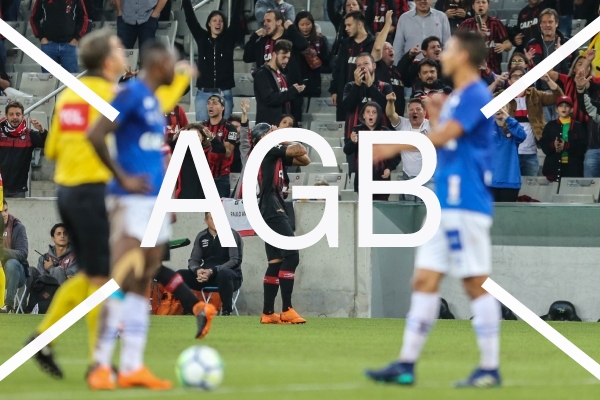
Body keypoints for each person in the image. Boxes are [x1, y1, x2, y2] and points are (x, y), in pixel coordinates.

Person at [366, 30, 501, 387]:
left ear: (465, 57)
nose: (445, 52)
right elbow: (449, 142)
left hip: (466, 202)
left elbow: (447, 136)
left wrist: (398, 143)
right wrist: (439, 117)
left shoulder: (475, 93)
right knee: (424, 280)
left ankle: (490, 367)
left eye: (452, 48)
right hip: (446, 202)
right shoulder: (457, 97)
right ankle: (406, 363)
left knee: (474, 284)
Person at [85, 41, 198, 390]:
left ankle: (132, 365)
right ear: (159, 63)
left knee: (142, 280)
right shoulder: (131, 93)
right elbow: (96, 134)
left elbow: (152, 154)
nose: (176, 68)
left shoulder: (153, 103)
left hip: (153, 202)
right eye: (173, 63)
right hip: (130, 201)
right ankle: (101, 364)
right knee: (121, 277)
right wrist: (122, 178)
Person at [250, 123, 310, 325]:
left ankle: (268, 312)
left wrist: (279, 139)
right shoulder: (266, 148)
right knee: (292, 255)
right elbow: (300, 149)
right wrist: (282, 139)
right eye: (272, 130)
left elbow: (305, 159)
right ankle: (286, 309)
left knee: (275, 261)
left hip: (269, 205)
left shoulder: (270, 151)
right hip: (271, 205)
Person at [244, 9, 309, 122]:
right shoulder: (262, 41)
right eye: (264, 21)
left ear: (279, 22)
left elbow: (304, 45)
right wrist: (254, 36)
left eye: (269, 21)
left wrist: (292, 28)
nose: (265, 24)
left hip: (291, 94)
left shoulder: (289, 37)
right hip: (270, 95)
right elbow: (247, 57)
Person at [499, 67, 562, 176]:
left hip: (530, 154)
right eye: (515, 76)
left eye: (521, 77)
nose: (518, 79)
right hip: (509, 154)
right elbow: (483, 105)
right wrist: (495, 83)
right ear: (509, 81)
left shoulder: (535, 94)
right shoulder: (502, 96)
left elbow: (559, 98)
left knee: (529, 190)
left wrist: (548, 80)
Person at [177, 212, 243, 316]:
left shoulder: (231, 235)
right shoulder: (202, 236)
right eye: (212, 219)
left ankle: (226, 311)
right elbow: (193, 260)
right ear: (206, 221)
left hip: (230, 277)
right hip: (206, 278)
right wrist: (197, 271)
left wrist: (212, 271)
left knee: (224, 273)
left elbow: (235, 261)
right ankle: (189, 310)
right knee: (179, 275)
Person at [183, 0, 236, 120]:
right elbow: (190, 19)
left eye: (221, 21)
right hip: (203, 94)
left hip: (224, 93)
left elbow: (236, 17)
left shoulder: (229, 39)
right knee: (201, 132)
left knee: (224, 132)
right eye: (214, 20)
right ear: (208, 24)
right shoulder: (201, 38)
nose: (218, 23)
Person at [342, 52, 392, 177]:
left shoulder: (385, 87)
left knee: (380, 177)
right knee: (358, 178)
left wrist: (371, 87)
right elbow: (347, 107)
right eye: (358, 65)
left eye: (365, 63)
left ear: (374, 66)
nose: (362, 67)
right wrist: (357, 86)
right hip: (355, 140)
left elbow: (387, 109)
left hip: (380, 139)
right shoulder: (350, 86)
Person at [344, 102, 399, 199]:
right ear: (363, 115)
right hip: (363, 180)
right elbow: (347, 151)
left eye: (374, 112)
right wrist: (352, 142)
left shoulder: (386, 132)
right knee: (365, 212)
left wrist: (389, 168)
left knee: (381, 212)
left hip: (381, 179)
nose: (370, 114)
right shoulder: (357, 131)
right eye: (368, 112)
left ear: (378, 115)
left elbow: (397, 154)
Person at [329, 10, 377, 122]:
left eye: (349, 25)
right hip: (345, 95)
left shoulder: (373, 43)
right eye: (345, 25)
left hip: (366, 95)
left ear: (359, 25)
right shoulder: (345, 44)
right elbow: (338, 68)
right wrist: (334, 90)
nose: (346, 28)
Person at [386, 94, 433, 200]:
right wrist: (390, 102)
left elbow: (439, 119)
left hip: (429, 180)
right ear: (408, 113)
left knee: (427, 213)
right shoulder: (403, 124)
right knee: (407, 213)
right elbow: (390, 114)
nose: (414, 112)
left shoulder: (430, 125)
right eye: (411, 110)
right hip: (407, 179)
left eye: (418, 109)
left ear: (425, 112)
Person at [0, 101, 48, 198]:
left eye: (18, 114)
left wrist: (42, 131)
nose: (14, 117)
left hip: (18, 189)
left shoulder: (29, 134)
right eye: (11, 114)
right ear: (6, 116)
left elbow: (48, 144)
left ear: (22, 116)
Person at [254, 39, 306, 126]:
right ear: (274, 54)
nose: (286, 61)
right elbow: (269, 98)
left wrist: (296, 91)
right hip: (269, 127)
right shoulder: (262, 74)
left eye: (288, 58)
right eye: (283, 57)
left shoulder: (283, 74)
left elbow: (285, 98)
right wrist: (291, 91)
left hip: (282, 126)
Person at [30, 0, 88, 73]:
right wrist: (41, 37)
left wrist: (76, 38)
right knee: (48, 80)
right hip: (48, 45)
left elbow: (84, 18)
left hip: (69, 46)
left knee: (71, 80)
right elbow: (34, 18)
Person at [540, 95, 587, 181]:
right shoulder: (550, 126)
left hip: (573, 168)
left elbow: (583, 147)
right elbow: (544, 146)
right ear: (556, 110)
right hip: (553, 168)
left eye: (567, 106)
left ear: (571, 109)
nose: (564, 108)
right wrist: (552, 145)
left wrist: (567, 145)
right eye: (561, 106)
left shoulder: (578, 126)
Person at [459, 0, 511, 75]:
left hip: (493, 71)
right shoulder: (465, 25)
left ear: (488, 5)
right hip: (471, 72)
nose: (481, 5)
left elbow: (508, 45)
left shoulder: (496, 23)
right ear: (473, 6)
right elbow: (456, 47)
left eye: (483, 2)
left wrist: (504, 46)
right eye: (478, 2)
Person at [392, 0, 451, 66]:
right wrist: (397, 69)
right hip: (411, 68)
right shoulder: (404, 18)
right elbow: (398, 47)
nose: (423, 1)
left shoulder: (441, 17)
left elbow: (447, 45)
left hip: (436, 68)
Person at [202, 94, 238, 198]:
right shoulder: (202, 126)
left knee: (221, 212)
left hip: (222, 177)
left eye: (215, 103)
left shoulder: (230, 128)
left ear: (223, 108)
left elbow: (227, 153)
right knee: (206, 212)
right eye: (208, 103)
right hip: (204, 175)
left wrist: (212, 139)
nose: (210, 106)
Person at [489, 107, 527, 202]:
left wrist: (508, 118)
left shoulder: (513, 127)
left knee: (508, 216)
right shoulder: (487, 129)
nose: (498, 109)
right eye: (495, 105)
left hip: (510, 181)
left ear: (507, 108)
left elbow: (522, 135)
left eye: (502, 106)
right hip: (490, 182)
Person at [0, 199, 29, 313]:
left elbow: (23, 254)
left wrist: (3, 252)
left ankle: (8, 306)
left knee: (12, 264)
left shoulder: (18, 227)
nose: (4, 214)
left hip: (16, 273)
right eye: (1, 211)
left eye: (6, 210)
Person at [295, 11, 331, 99]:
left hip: (314, 82)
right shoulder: (293, 40)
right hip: (297, 82)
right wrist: (299, 53)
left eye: (308, 24)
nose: (305, 28)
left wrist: (317, 54)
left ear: (313, 24)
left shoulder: (320, 40)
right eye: (302, 25)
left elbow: (329, 63)